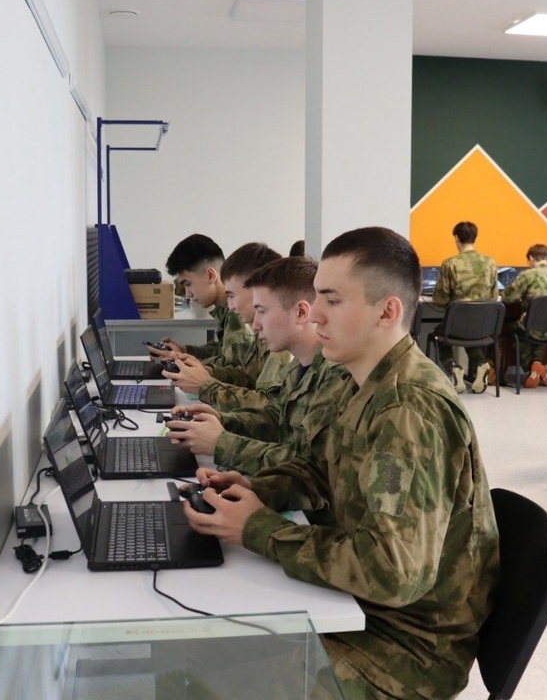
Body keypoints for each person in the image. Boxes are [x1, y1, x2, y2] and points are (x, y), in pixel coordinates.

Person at [181, 227, 500, 699]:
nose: (316, 314)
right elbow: (322, 470)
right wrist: (256, 490)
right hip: (367, 610)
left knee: (207, 681)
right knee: (197, 648)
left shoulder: (406, 411)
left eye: (332, 300)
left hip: (406, 648)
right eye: (317, 298)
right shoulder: (364, 383)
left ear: (387, 312)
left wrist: (261, 529)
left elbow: (393, 571)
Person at [167, 256, 353, 476]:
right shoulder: (299, 366)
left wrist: (222, 443)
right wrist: (222, 421)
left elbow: (310, 465)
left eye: (262, 311)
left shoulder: (336, 376)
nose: (255, 325)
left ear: (301, 313)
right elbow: (277, 419)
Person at [162, 242, 291, 394]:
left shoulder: (280, 340)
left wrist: (206, 385)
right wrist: (201, 368)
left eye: (232, 295)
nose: (231, 306)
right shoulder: (263, 328)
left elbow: (268, 404)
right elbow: (247, 377)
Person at [147, 234, 252, 370]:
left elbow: (232, 370)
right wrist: (184, 351)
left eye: (188, 284)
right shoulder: (224, 308)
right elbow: (222, 350)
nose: (188, 294)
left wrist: (181, 360)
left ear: (210, 275)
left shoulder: (236, 313)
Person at [431, 221, 498, 393]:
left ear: (456, 238)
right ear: (475, 238)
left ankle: (453, 367)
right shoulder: (490, 263)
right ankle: (481, 364)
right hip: (482, 326)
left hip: (456, 325)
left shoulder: (450, 264)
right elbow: (493, 297)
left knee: (438, 334)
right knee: (471, 333)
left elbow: (440, 299)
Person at [501, 244, 547, 388]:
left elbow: (508, 298)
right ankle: (538, 364)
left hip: (534, 328)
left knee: (513, 329)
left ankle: (531, 367)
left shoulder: (527, 275)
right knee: (543, 325)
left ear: (531, 259)